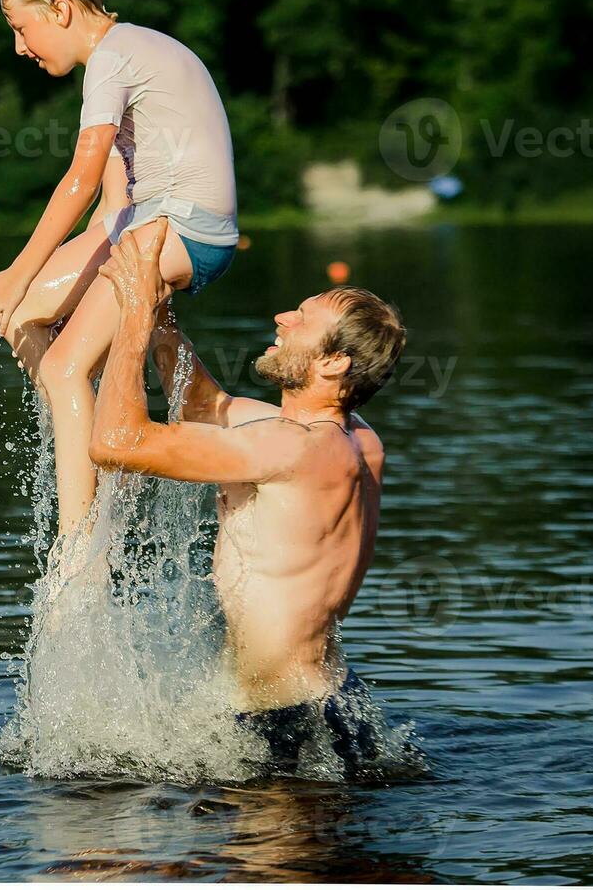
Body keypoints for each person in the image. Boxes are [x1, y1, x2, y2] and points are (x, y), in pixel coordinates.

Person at [91, 225, 406, 773]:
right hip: (327, 704)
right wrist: (164, 315)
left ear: (332, 363)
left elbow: (113, 443)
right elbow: (203, 405)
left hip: (289, 723)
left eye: (302, 319)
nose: (283, 318)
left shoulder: (290, 447)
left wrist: (135, 314)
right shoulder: (356, 440)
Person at [0, 0, 240, 537]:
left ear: (60, 10)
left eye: (21, 28)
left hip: (182, 230)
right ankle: (99, 437)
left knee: (64, 367)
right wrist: (32, 292)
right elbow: (111, 206)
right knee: (22, 319)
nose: (19, 47)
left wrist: (18, 272)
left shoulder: (114, 56)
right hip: (155, 224)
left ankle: (80, 552)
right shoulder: (124, 56)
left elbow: (82, 177)